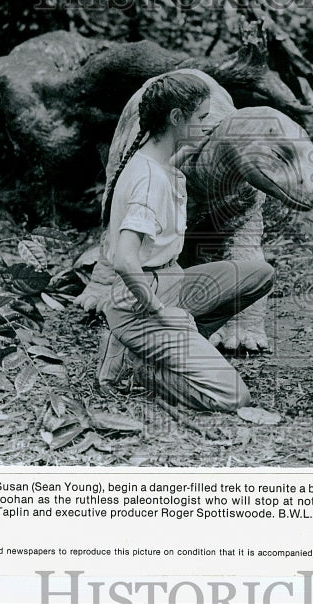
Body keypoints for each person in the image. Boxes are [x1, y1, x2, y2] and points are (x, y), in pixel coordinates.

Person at [101, 73, 274, 412]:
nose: (209, 125)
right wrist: (162, 313)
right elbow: (124, 260)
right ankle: (137, 368)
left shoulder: (161, 166)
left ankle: (178, 342)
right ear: (177, 118)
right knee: (233, 397)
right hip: (142, 310)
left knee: (259, 274)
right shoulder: (149, 180)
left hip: (170, 283)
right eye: (202, 117)